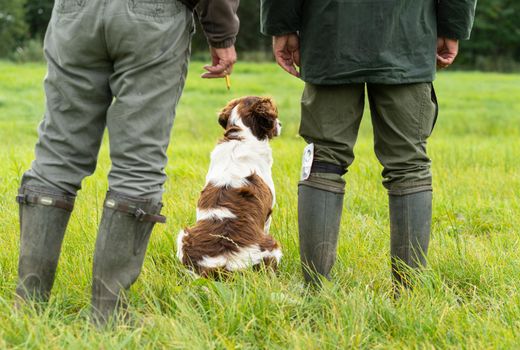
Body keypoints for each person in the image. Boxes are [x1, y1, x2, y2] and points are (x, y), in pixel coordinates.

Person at [15, 0, 238, 324]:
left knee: (56, 155)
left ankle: (28, 307)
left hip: (74, 12)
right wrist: (222, 33)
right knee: (138, 163)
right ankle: (108, 316)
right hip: (152, 16)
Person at [261, 0, 476, 289]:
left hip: (330, 30)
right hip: (407, 31)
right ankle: (409, 294)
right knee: (408, 164)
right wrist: (453, 24)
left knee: (324, 158)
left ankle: (316, 290)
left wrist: (282, 23)